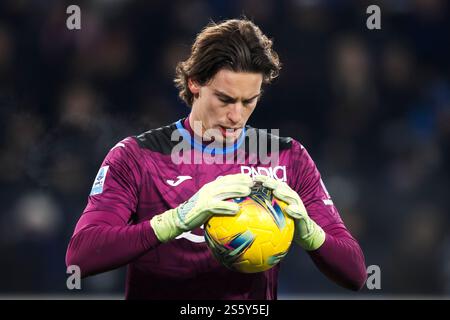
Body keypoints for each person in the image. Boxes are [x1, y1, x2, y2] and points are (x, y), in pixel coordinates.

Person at [66, 18, 367, 299]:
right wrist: (178, 219)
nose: (236, 115)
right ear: (195, 83)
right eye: (224, 99)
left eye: (249, 101)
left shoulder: (288, 159)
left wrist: (311, 233)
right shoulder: (137, 157)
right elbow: (80, 257)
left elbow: (355, 273)